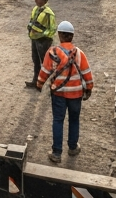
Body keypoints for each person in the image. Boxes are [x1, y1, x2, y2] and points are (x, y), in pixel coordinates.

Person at [35, 20, 94, 162]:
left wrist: (39, 83)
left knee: (58, 120)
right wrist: (89, 88)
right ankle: (73, 148)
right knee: (74, 120)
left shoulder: (53, 52)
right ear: (72, 36)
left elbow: (45, 71)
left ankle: (56, 153)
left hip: (59, 93)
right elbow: (87, 73)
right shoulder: (79, 54)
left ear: (60, 35)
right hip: (76, 94)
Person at [25, 0, 57, 88]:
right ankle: (36, 81)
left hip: (43, 41)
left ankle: (54, 84)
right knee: (36, 61)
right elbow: (32, 22)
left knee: (46, 63)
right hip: (35, 39)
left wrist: (44, 35)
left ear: (45, 0)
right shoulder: (35, 9)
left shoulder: (49, 14)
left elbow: (52, 29)